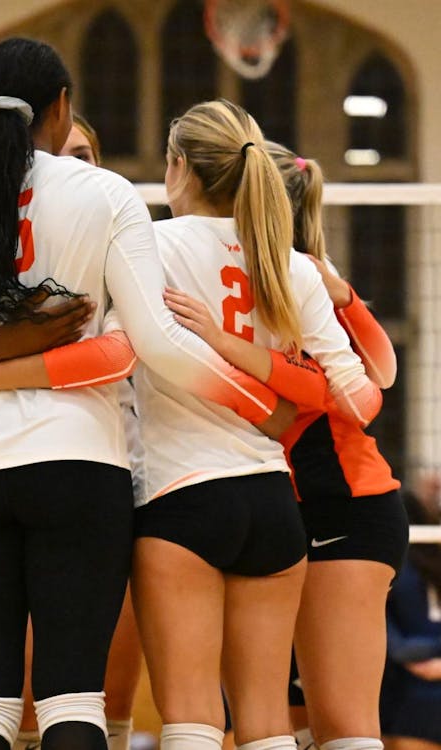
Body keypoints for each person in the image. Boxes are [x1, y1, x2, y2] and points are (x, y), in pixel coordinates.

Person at [0, 40, 317, 750]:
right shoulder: (105, 195)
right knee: (74, 699)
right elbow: (148, 346)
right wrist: (259, 408)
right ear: (62, 106)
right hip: (78, 466)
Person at [0, 98, 377, 750]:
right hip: (270, 501)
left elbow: (107, 358)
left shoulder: (150, 246)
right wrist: (273, 398)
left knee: (192, 720)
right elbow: (360, 396)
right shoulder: (288, 265)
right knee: (265, 724)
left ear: (178, 168)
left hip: (181, 500)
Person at [165, 140, 407, 750]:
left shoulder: (304, 281)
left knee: (344, 730)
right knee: (272, 724)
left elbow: (362, 383)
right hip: (269, 510)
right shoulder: (217, 268)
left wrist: (340, 298)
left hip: (343, 509)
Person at [14, 112, 144, 750]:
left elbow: (119, 353)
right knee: (20, 698)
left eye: (84, 154)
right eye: (58, 153)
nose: (71, 166)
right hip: (2, 475)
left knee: (106, 698)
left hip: (115, 472)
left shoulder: (128, 238)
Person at [382, 476, 441, 750]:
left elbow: (397, 647)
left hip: (409, 698)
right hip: (414, 690)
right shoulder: (409, 568)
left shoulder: (397, 570)